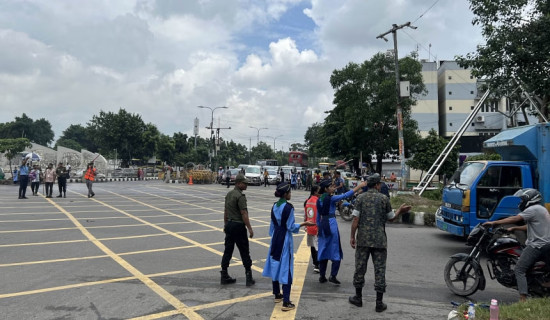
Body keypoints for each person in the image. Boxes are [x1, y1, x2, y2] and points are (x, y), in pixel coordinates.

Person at [348, 173, 411, 312]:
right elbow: (391, 218)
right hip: (379, 241)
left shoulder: (360, 198)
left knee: (360, 268)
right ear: (377, 185)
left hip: (363, 240)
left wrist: (352, 236)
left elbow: (355, 221)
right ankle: (379, 303)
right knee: (380, 270)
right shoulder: (384, 199)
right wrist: (400, 210)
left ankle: (358, 298)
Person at [483, 188, 550, 302]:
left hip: (537, 246)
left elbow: (515, 218)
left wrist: (494, 222)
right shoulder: (541, 209)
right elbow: (532, 226)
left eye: (522, 199)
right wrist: (515, 228)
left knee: (519, 269)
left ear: (530, 199)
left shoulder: (532, 209)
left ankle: (522, 299)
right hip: (546, 244)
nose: (521, 202)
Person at [263, 182, 315, 311]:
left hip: (275, 237)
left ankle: (277, 294)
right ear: (285, 194)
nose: (291, 194)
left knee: (275, 263)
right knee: (287, 268)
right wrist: (305, 223)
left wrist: (275, 235)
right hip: (284, 239)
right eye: (290, 192)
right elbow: (291, 227)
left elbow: (271, 227)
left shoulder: (274, 206)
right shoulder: (288, 207)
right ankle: (286, 302)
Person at [316, 178, 366, 285]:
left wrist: (318, 228)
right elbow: (345, 195)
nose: (333, 188)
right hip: (331, 224)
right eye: (331, 187)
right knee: (336, 250)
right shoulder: (332, 198)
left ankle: (322, 275)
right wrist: (359, 186)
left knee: (323, 249)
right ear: (326, 189)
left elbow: (317, 216)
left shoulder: (319, 199)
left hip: (322, 224)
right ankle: (333, 275)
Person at [220, 174, 255, 286]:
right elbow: (244, 213)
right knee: (244, 250)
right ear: (238, 183)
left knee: (228, 250)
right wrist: (249, 228)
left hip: (230, 224)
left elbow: (225, 211)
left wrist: (226, 224)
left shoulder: (229, 194)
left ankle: (224, 275)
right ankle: (248, 276)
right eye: (244, 183)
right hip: (238, 226)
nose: (246, 185)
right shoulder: (240, 197)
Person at [304, 185, 321, 273]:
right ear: (315, 192)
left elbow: (305, 215)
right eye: (319, 190)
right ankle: (317, 265)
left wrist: (305, 226)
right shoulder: (318, 201)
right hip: (316, 227)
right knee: (317, 246)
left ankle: (315, 262)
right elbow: (320, 215)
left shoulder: (307, 201)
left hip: (309, 226)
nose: (320, 192)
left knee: (312, 245)